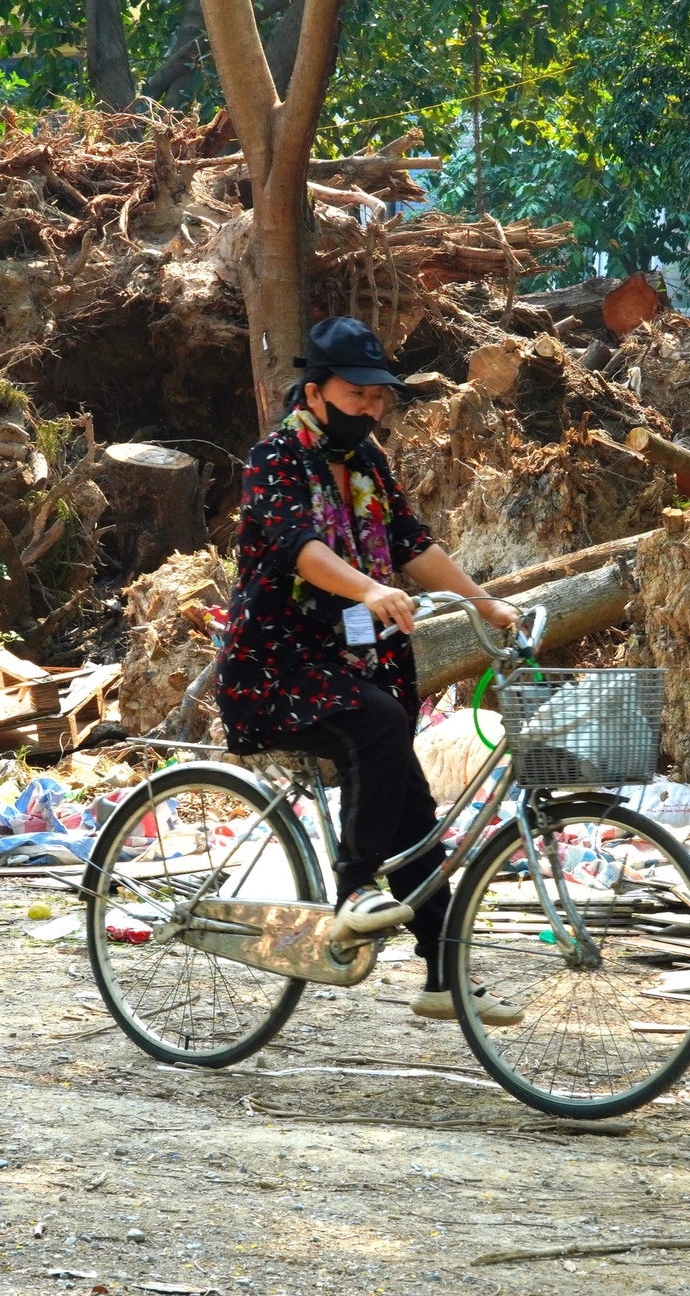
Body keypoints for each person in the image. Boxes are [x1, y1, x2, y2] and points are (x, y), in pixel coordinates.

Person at [216, 317, 523, 1025]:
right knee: (380, 728)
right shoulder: (275, 459)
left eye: (378, 397)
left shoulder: (369, 465)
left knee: (415, 810)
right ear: (315, 391)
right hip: (280, 664)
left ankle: (444, 977)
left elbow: (414, 545)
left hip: (360, 663)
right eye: (357, 395)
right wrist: (367, 588)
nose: (370, 407)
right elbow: (300, 548)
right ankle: (354, 892)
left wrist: (489, 605)